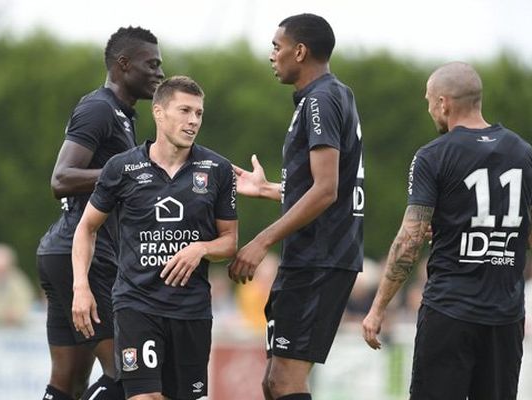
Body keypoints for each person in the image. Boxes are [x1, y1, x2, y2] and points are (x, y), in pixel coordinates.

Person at [362, 61, 532, 400]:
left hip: (449, 312)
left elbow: (409, 240)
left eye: (428, 101)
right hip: (505, 317)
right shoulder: (524, 153)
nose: (429, 110)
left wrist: (378, 307)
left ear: (444, 103)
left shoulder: (433, 156)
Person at [71, 76, 238, 400]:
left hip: (192, 310)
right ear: (159, 113)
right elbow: (86, 228)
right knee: (144, 396)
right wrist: (81, 286)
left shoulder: (217, 169)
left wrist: (200, 249)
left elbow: (229, 241)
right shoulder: (122, 168)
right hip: (137, 303)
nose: (193, 121)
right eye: (185, 110)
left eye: (199, 113)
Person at [228, 13, 364, 400]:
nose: (272, 55)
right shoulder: (331, 95)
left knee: (284, 382)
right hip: (314, 255)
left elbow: (326, 190)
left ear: (299, 51)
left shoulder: (321, 99)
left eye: (277, 46)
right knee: (274, 383)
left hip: (321, 257)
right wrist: (271, 188)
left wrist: (260, 242)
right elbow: (320, 185)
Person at [36, 26, 164, 400]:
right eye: (151, 64)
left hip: (64, 252)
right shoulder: (99, 107)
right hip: (83, 254)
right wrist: (133, 171)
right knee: (127, 377)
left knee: (69, 384)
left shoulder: (123, 115)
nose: (159, 72)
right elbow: (61, 178)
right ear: (123, 65)